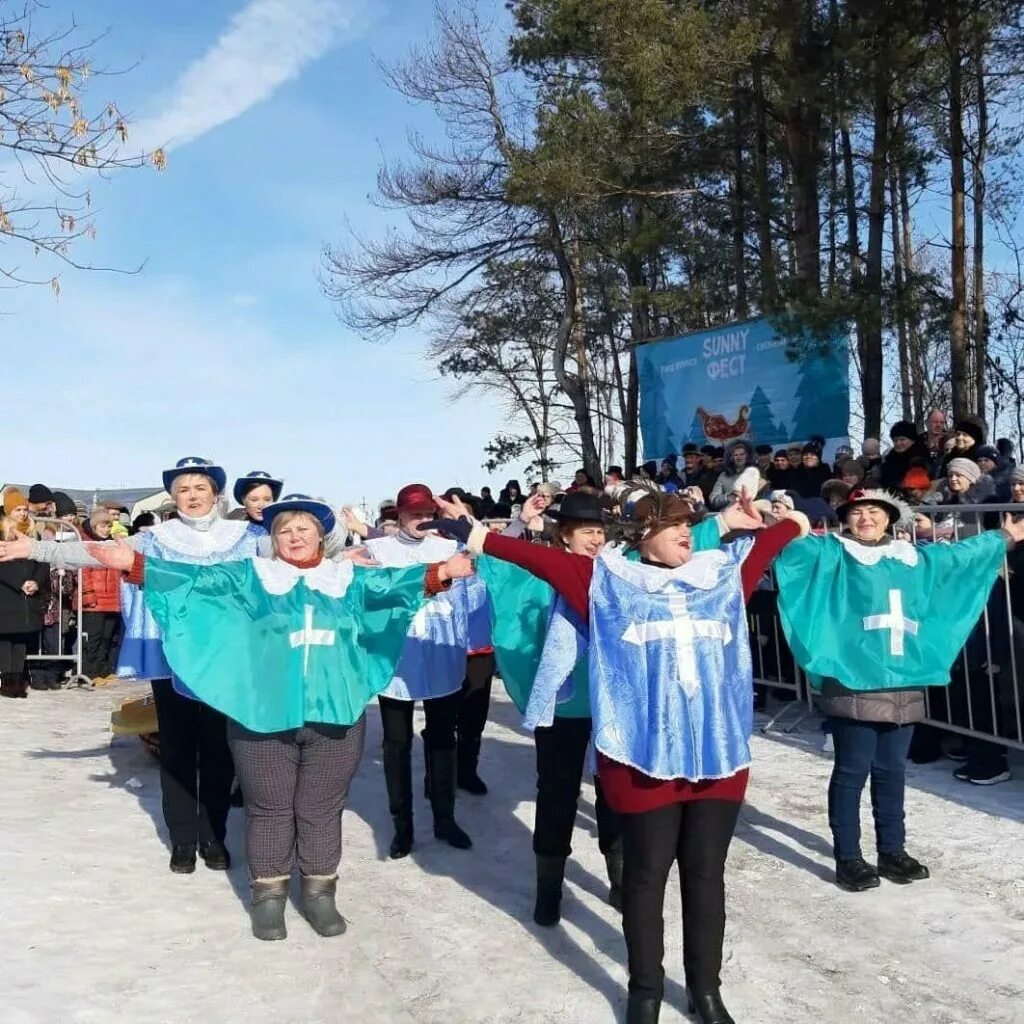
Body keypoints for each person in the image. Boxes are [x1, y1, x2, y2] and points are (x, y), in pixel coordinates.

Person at [430, 486, 807, 1024]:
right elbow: (533, 557)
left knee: (706, 876)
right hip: (640, 757)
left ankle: (705, 991)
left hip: (716, 756)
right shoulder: (603, 581)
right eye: (672, 524)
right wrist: (471, 531)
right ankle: (646, 992)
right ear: (641, 537)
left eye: (688, 523)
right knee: (646, 878)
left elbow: (767, 546)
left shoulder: (719, 580)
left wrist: (789, 519)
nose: (684, 532)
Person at [88, 494, 474, 940]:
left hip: (337, 713)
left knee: (321, 808)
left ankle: (319, 892)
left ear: (320, 537)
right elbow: (193, 582)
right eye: (284, 530)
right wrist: (136, 565)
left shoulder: (347, 578)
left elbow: (394, 586)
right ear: (272, 539)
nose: (294, 537)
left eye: (303, 529)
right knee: (268, 808)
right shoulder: (251, 577)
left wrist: (442, 572)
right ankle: (268, 895)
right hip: (262, 714)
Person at [0, 457, 278, 874]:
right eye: (184, 489)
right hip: (174, 657)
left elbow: (306, 549)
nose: (193, 496)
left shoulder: (248, 537)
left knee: (219, 750)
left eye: (200, 488)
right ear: (174, 497)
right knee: (179, 747)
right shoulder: (157, 538)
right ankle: (183, 839)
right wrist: (37, 547)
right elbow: (98, 553)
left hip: (226, 660)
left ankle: (214, 836)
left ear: (216, 493)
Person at [773, 487, 1024, 892]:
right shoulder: (832, 553)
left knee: (891, 770)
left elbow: (956, 559)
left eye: (874, 511)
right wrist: (786, 525)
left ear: (890, 518)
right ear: (846, 518)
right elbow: (795, 556)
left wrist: (1003, 538)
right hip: (852, 677)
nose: (866, 519)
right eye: (857, 513)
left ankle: (892, 850)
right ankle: (849, 857)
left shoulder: (913, 559)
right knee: (852, 770)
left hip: (904, 677)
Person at [363, 483, 480, 858]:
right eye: (414, 513)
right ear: (398, 515)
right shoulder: (378, 550)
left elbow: (486, 574)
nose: (422, 520)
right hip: (396, 657)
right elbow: (372, 595)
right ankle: (403, 825)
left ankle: (445, 817)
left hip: (440, 652)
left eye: (428, 513)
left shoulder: (450, 548)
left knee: (443, 737)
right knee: (397, 742)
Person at [0, 490, 48, 699]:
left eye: (25, 510)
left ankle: (17, 679)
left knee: (20, 639)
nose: (22, 514)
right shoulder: (1, 534)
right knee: (5, 639)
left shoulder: (32, 533)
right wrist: (20, 582)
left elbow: (42, 560)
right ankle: (7, 680)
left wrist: (35, 581)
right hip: (7, 593)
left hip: (27, 595)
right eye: (18, 510)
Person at [80, 509, 123, 681]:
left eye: (108, 526)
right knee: (93, 638)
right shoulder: (87, 546)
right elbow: (84, 573)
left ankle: (101, 670)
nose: (106, 530)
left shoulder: (113, 546)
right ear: (94, 526)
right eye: (103, 526)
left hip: (112, 600)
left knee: (107, 638)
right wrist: (88, 595)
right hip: (94, 601)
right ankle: (89, 671)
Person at [707, 439, 755, 510]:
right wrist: (728, 497)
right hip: (728, 515)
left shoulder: (755, 473)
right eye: (735, 455)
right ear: (731, 457)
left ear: (748, 456)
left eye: (742, 454)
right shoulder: (724, 476)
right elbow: (713, 500)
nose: (739, 457)